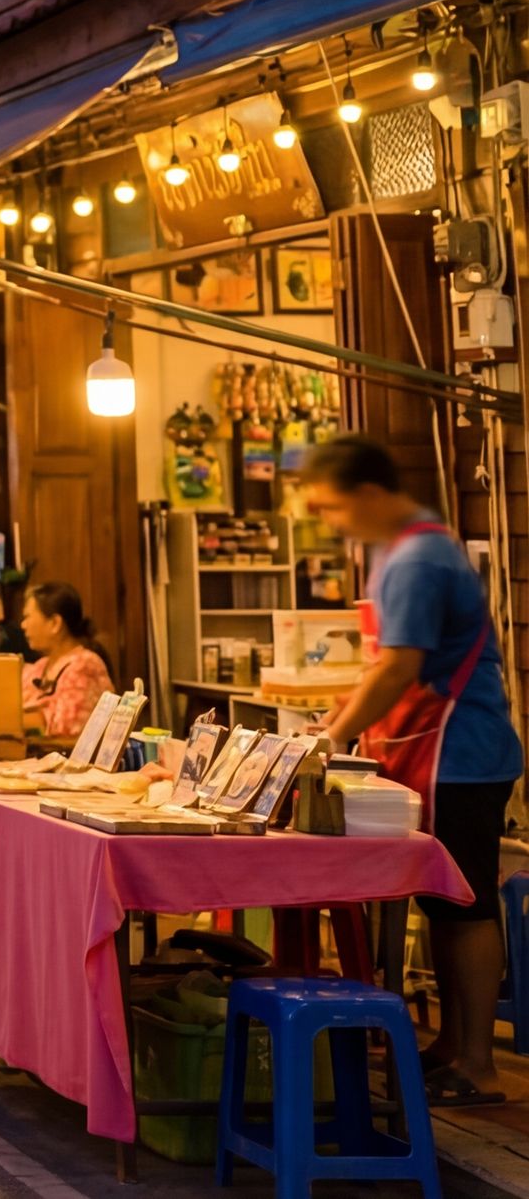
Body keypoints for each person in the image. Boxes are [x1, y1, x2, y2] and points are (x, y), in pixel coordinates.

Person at [311, 436, 522, 1109]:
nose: (332, 524)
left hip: (462, 752)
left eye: (334, 509)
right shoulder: (408, 551)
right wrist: (347, 707)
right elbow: (389, 666)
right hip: (442, 750)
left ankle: (481, 1064)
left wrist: (334, 734)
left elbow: (400, 664)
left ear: (369, 494)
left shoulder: (419, 557)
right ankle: (453, 1044)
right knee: (442, 898)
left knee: (465, 903)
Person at [19, 582, 112, 738]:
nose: (23, 625)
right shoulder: (39, 667)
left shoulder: (86, 665)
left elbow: (69, 730)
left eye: (27, 617)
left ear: (55, 623)